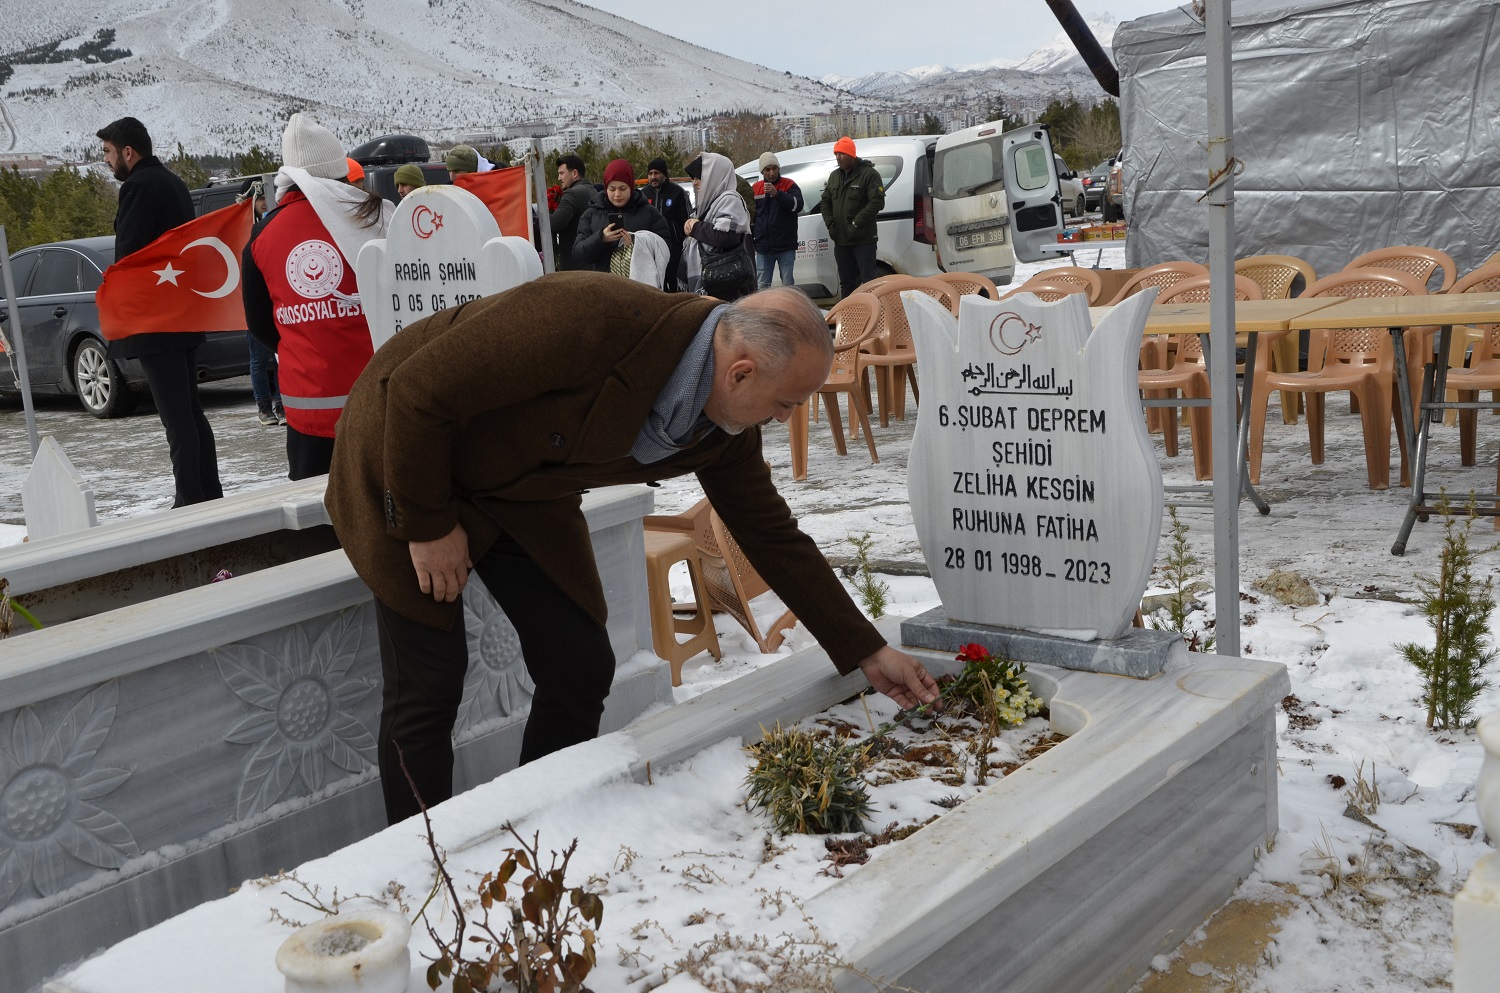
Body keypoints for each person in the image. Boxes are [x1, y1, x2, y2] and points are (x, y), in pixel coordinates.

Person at [324, 273, 940, 824]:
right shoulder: (590, 316)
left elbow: (771, 535)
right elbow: (415, 391)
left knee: (579, 665)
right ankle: (416, 863)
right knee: (430, 683)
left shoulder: (721, 426)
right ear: (741, 371)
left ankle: (536, 826)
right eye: (785, 404)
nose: (783, 421)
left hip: (519, 484)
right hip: (404, 457)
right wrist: (427, 526)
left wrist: (866, 648)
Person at [241, 113, 394, 480]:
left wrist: (306, 336)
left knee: (319, 524)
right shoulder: (377, 216)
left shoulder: (262, 237)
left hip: (309, 414)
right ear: (340, 169)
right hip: (384, 404)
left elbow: (260, 324)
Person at [97, 116, 223, 507]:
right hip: (182, 315)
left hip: (156, 320)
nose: (106, 160)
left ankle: (190, 498)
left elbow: (131, 255)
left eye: (107, 152)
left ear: (128, 152)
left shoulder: (136, 187)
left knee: (176, 416)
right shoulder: (173, 182)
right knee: (190, 410)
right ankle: (208, 490)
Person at [571, 158, 672, 280]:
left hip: (641, 288)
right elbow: (579, 253)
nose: (617, 194)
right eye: (612, 189)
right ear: (606, 188)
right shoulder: (591, 214)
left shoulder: (649, 212)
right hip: (604, 287)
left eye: (623, 188)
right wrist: (600, 238)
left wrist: (637, 244)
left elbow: (665, 249)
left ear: (631, 186)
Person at [237, 178, 283, 427]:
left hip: (275, 296)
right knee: (258, 357)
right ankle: (263, 405)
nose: (266, 203)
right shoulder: (241, 229)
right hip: (254, 298)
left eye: (268, 197)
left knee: (279, 353)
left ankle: (282, 402)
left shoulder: (273, 223)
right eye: (261, 199)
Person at [680, 152, 755, 301]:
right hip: (716, 289)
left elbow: (726, 236)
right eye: (693, 178)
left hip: (730, 291)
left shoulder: (730, 200)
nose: (694, 183)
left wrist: (696, 228)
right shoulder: (708, 204)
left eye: (699, 178)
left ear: (714, 176)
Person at [819, 136, 886, 299]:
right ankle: (849, 318)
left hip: (863, 240)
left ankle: (875, 316)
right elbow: (825, 202)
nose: (838, 158)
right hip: (841, 242)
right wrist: (830, 224)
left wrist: (857, 222)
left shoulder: (869, 174)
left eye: (841, 154)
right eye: (836, 154)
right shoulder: (834, 176)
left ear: (851, 155)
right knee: (846, 283)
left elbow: (877, 202)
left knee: (869, 281)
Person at [751, 152, 803, 289]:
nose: (772, 173)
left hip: (785, 246)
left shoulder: (789, 185)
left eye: (774, 168)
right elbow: (751, 217)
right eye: (768, 169)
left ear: (779, 169)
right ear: (762, 171)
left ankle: (788, 309)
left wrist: (777, 194)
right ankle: (763, 310)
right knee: (762, 285)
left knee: (787, 285)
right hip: (763, 248)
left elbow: (797, 205)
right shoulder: (756, 188)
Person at [641, 157, 691, 291]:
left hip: (674, 249)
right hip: (650, 251)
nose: (653, 177)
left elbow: (686, 219)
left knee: (674, 286)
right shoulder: (643, 194)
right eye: (650, 174)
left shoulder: (677, 192)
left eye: (656, 173)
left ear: (664, 174)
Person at [549, 154, 593, 271]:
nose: (559, 178)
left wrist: (542, 215)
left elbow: (555, 223)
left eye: (562, 173)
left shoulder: (572, 194)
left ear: (574, 173)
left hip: (574, 266)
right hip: (592, 263)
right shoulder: (593, 190)